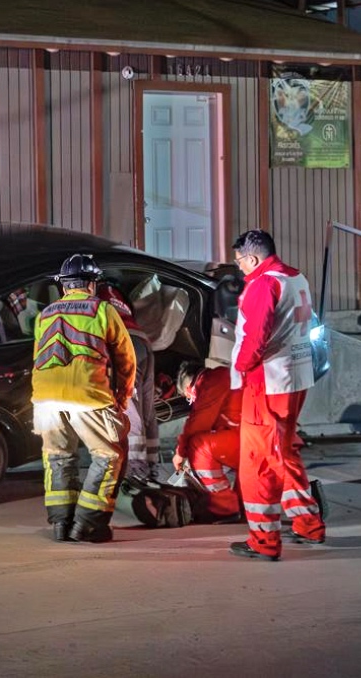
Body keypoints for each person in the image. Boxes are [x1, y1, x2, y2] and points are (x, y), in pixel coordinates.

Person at [226, 229, 326, 561]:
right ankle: (307, 523)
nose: (239, 268)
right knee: (283, 451)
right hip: (296, 377)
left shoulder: (262, 284)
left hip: (266, 382)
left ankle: (264, 540)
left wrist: (240, 366)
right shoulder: (295, 278)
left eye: (240, 261)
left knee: (258, 462)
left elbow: (255, 338)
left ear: (252, 258)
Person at [31, 253, 137, 544]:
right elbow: (126, 359)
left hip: (44, 399)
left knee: (58, 457)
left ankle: (61, 525)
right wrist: (122, 397)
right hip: (88, 396)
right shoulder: (102, 310)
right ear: (92, 284)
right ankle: (88, 525)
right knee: (108, 455)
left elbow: (38, 357)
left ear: (64, 286)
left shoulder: (45, 313)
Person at [97, 280, 157, 482]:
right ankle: (151, 465)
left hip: (124, 345)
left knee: (130, 407)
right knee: (146, 410)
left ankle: (136, 469)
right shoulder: (116, 291)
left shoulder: (93, 294)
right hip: (142, 341)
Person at [172, 361, 243, 522]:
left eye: (188, 397)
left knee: (199, 445)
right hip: (259, 437)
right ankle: (240, 505)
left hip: (252, 440)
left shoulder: (212, 380)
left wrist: (181, 453)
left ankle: (224, 507)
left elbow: (198, 422)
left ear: (190, 388)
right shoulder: (224, 377)